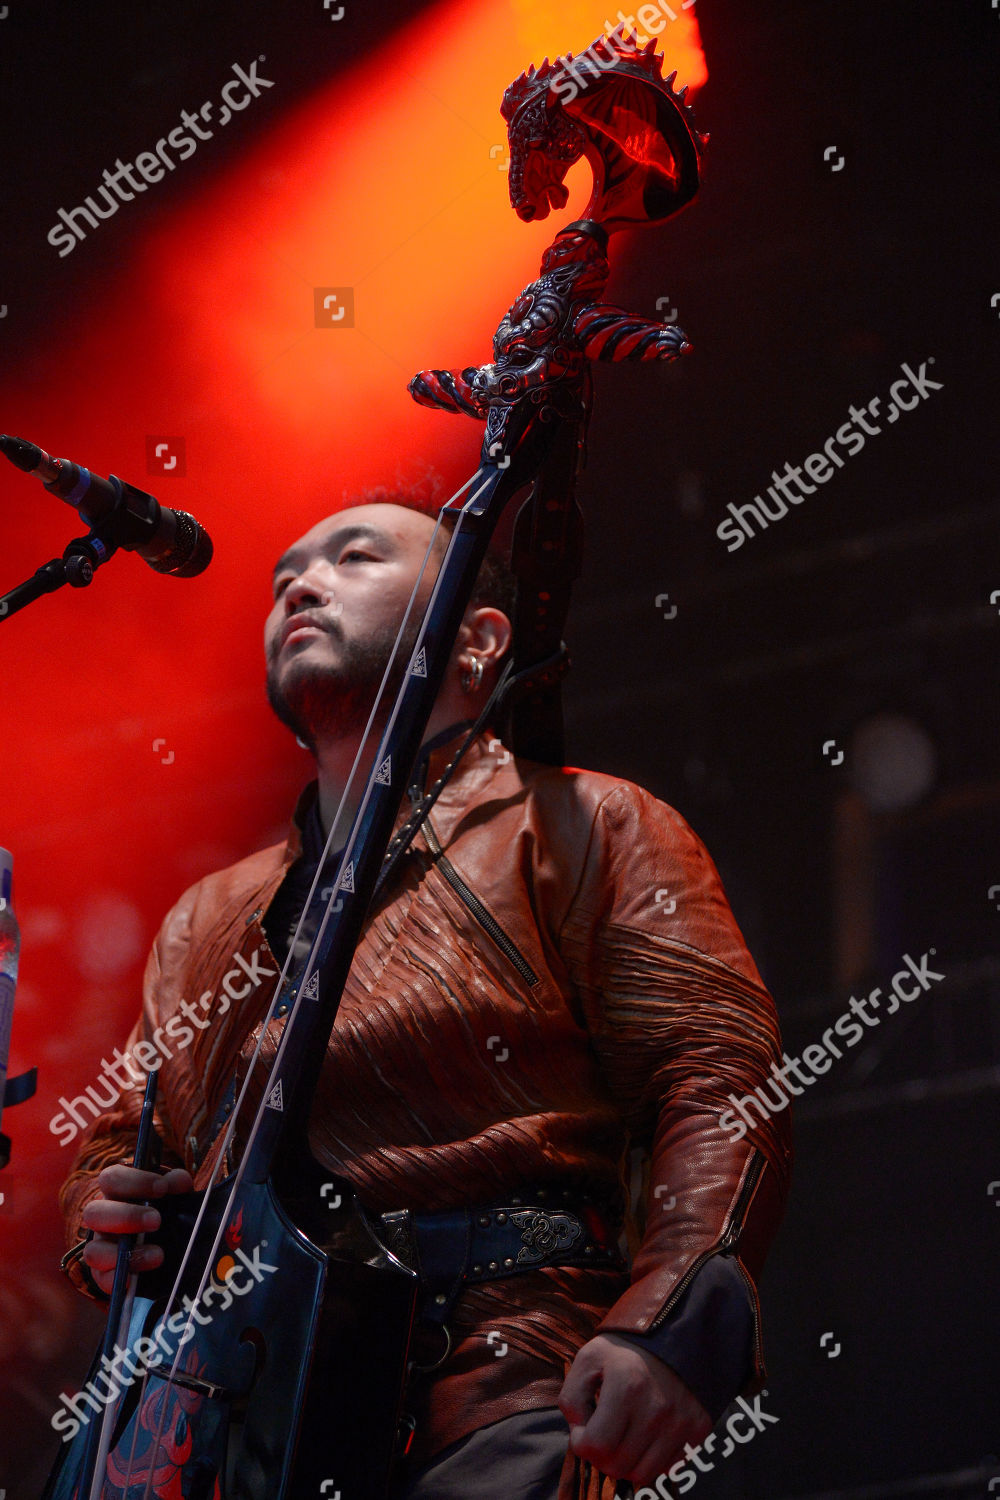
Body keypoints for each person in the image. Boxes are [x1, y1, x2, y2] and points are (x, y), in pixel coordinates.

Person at [58, 496, 792, 1500]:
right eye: (282, 580)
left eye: (354, 557)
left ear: (478, 640)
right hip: (252, 1423)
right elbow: (121, 1144)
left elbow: (715, 1078)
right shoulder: (207, 915)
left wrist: (673, 1317)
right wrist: (101, 1214)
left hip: (506, 1384)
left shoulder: (583, 821)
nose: (299, 587)